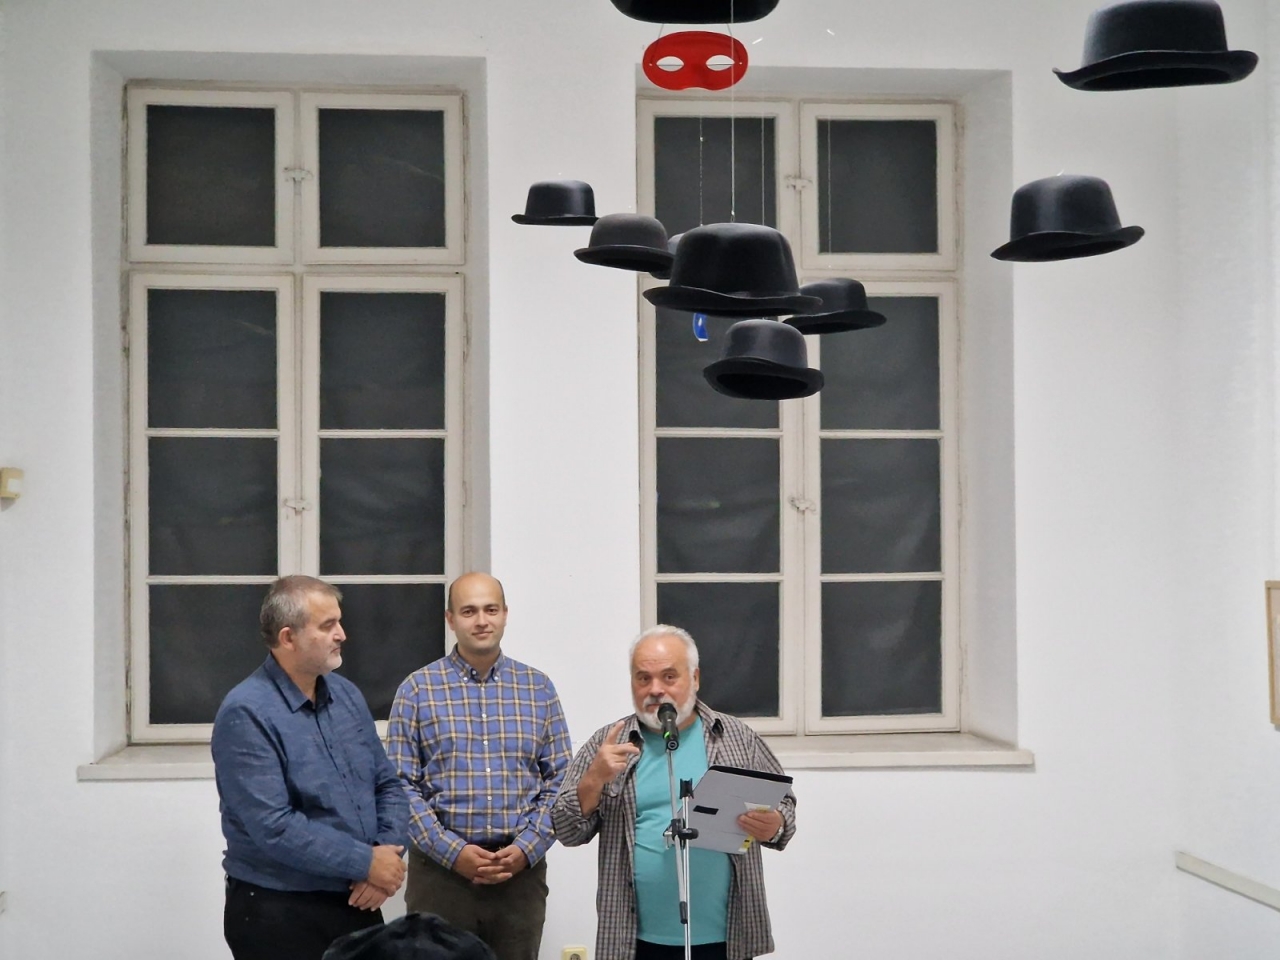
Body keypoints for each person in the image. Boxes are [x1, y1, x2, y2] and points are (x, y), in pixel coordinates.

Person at [551, 625, 797, 960]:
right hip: (633, 941)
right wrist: (594, 778)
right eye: (643, 678)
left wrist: (775, 824)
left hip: (726, 938)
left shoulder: (736, 737)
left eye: (669, 677)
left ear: (694, 678)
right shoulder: (608, 744)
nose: (655, 690)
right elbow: (566, 831)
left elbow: (784, 804)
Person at [212, 575, 410, 960]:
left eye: (339, 621)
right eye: (327, 625)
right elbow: (274, 826)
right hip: (279, 910)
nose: (342, 634)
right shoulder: (246, 712)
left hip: (357, 899)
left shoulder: (347, 696)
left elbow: (387, 785)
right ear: (288, 638)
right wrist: (367, 863)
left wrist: (386, 856)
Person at [386, 572, 572, 960]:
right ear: (450, 619)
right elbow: (400, 785)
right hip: (441, 879)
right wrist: (452, 852)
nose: (482, 621)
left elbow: (560, 779)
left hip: (518, 879)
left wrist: (526, 848)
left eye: (491, 609)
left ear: (505, 614)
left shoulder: (538, 689)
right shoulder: (417, 690)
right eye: (469, 611)